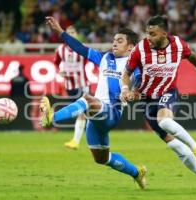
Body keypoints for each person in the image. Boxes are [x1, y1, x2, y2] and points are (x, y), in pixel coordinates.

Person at [40, 16, 147, 189]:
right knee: (102, 159)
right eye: (114, 40)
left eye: (119, 41)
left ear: (130, 47)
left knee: (87, 99)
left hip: (112, 112)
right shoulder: (105, 58)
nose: (114, 44)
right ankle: (137, 172)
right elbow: (80, 48)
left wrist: (132, 95)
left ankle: (52, 117)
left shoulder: (134, 67)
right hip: (96, 119)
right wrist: (60, 31)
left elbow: (140, 91)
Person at [121, 15, 196, 193]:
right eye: (147, 33)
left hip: (168, 92)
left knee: (165, 121)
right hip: (146, 98)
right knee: (174, 145)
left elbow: (190, 55)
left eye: (152, 34)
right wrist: (125, 90)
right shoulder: (140, 49)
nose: (148, 37)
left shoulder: (178, 44)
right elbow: (126, 73)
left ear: (164, 33)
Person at [54, 25, 89, 150]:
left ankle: (75, 140)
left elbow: (90, 59)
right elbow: (56, 63)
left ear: (76, 34)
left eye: (73, 32)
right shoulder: (60, 50)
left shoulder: (81, 47)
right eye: (68, 32)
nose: (70, 34)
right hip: (69, 85)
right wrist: (60, 71)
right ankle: (80, 137)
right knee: (80, 112)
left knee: (82, 112)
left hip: (82, 84)